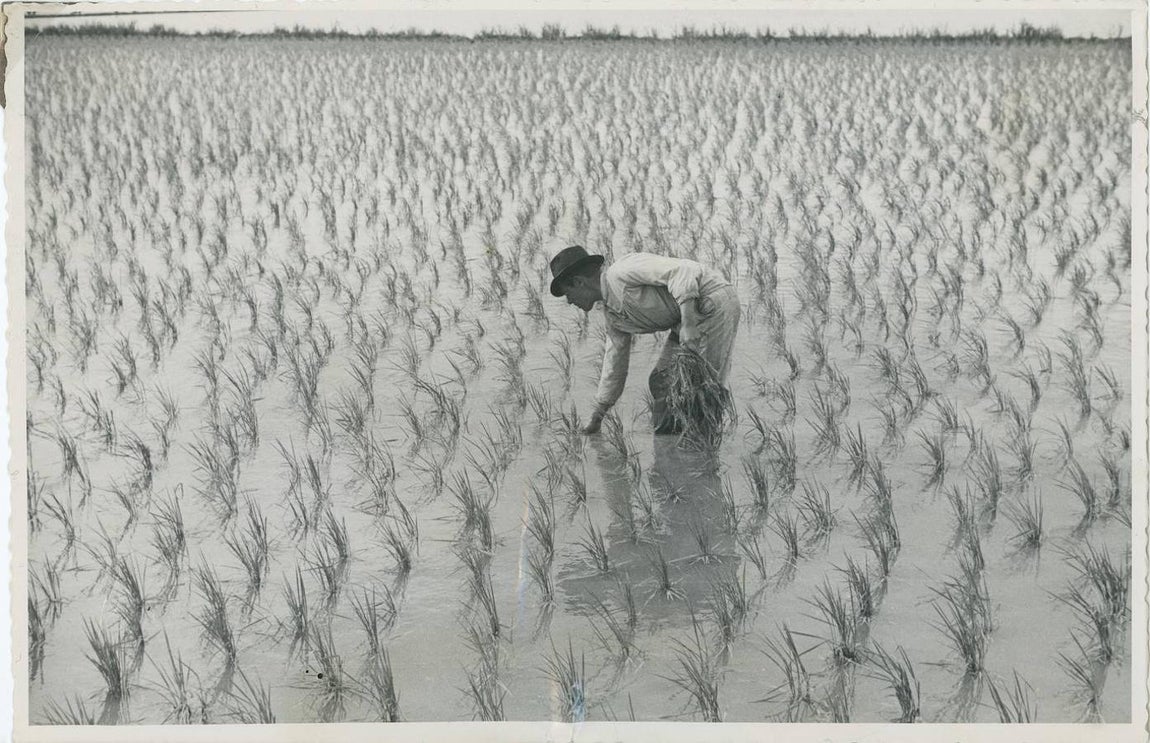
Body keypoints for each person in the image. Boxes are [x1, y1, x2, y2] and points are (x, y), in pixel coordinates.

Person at [548, 245, 740, 435]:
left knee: (701, 391)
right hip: (686, 318)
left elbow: (683, 270)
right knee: (661, 380)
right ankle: (670, 446)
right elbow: (615, 362)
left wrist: (689, 324)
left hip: (712, 303)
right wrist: (598, 415)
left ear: (579, 282)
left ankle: (701, 451)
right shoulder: (613, 315)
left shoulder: (622, 272)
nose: (569, 301)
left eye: (568, 294)